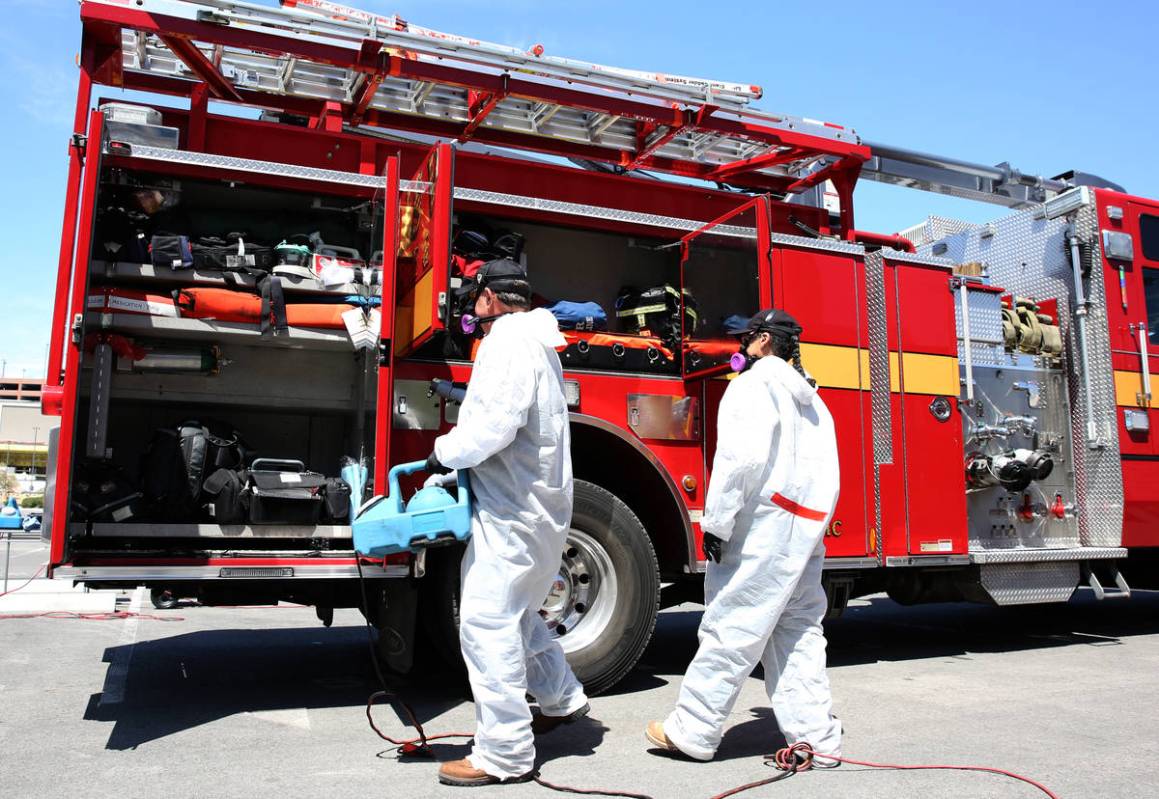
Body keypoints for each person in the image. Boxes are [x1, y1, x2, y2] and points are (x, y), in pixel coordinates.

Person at [646, 308, 842, 766]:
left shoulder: (752, 387)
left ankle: (692, 730)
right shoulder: (815, 401)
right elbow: (830, 476)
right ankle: (819, 740)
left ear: (766, 342)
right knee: (798, 632)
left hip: (763, 529)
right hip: (805, 528)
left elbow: (740, 462)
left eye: (747, 338)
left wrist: (716, 524)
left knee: (732, 625)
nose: (740, 347)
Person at [429, 259, 590, 787]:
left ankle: (504, 752)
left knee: (486, 624)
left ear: (491, 299)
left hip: (512, 511)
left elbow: (494, 424)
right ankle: (561, 698)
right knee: (518, 616)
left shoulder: (503, 342)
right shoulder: (539, 343)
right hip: (541, 510)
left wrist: (441, 455)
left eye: (476, 295)